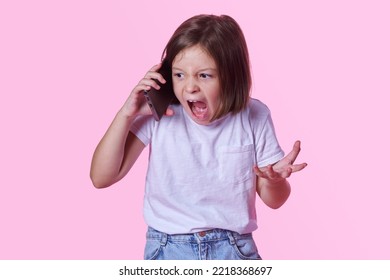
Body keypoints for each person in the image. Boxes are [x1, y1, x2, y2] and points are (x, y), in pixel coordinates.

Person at [90, 14, 307, 260]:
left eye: (204, 75)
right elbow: (101, 177)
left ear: (231, 77)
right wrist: (126, 114)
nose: (189, 87)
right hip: (168, 248)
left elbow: (274, 201)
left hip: (234, 250)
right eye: (179, 75)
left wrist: (276, 181)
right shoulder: (159, 115)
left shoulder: (254, 115)